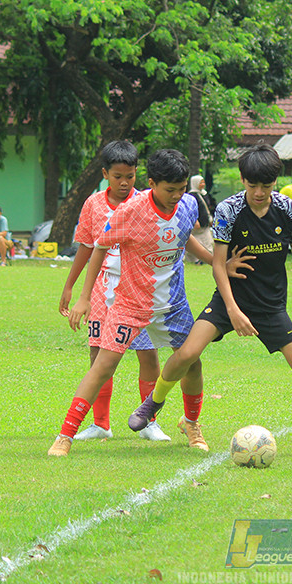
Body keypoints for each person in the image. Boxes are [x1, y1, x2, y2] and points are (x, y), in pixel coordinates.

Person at [124, 144, 292, 457]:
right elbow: (218, 263)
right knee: (187, 352)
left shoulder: (286, 209)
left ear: (275, 182)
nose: (258, 192)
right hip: (230, 299)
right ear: (243, 180)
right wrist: (233, 310)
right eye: (252, 185)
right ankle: (153, 404)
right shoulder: (228, 209)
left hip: (270, 306)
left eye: (265, 186)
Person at [49, 149, 203, 457]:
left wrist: (216, 262)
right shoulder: (130, 211)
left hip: (173, 304)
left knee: (191, 362)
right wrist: (83, 297)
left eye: (181, 188)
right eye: (169, 190)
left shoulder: (188, 204)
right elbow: (98, 248)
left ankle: (191, 423)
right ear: (151, 183)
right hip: (132, 303)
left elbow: (185, 237)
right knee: (103, 365)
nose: (176, 195)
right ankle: (65, 436)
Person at [185, 174, 213, 264]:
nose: (203, 184)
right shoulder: (192, 196)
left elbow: (206, 208)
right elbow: (191, 209)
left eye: (203, 182)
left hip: (204, 223)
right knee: (196, 242)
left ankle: (206, 260)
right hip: (197, 225)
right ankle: (195, 260)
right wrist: (195, 220)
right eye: (201, 183)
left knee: (208, 241)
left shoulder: (203, 194)